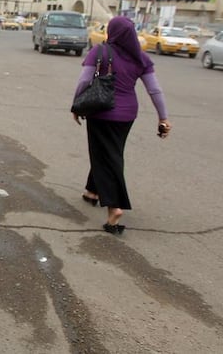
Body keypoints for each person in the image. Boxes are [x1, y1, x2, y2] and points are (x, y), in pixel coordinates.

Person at [72, 16, 170, 235]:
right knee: (109, 152)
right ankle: (92, 192)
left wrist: (76, 106)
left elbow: (84, 82)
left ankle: (115, 207)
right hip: (127, 115)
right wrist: (163, 117)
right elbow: (154, 90)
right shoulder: (141, 58)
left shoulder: (99, 52)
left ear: (112, 32)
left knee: (106, 156)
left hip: (101, 112)